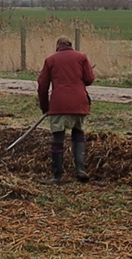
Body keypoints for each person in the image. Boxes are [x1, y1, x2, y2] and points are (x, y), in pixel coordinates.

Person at [37, 36, 95, 184]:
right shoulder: (81, 57)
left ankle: (57, 176)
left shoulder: (50, 60)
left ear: (57, 47)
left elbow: (42, 86)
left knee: (58, 138)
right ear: (70, 46)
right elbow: (89, 79)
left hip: (59, 104)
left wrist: (45, 107)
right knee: (78, 133)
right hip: (79, 102)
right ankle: (80, 170)